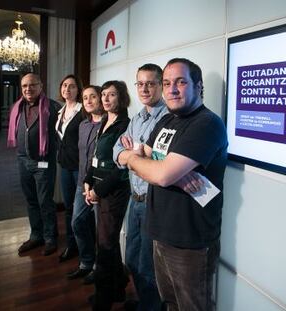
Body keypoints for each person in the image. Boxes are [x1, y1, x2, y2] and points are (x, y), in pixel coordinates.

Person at [121, 58, 228, 311]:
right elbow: (143, 157)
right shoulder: (167, 121)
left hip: (191, 241)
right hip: (160, 231)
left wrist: (138, 160)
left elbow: (161, 174)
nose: (172, 89)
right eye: (167, 83)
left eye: (181, 82)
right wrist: (143, 161)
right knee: (169, 303)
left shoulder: (206, 124)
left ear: (198, 86)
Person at [113, 63, 168, 310]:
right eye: (140, 83)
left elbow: (159, 162)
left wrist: (131, 155)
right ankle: (143, 302)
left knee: (148, 266)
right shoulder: (137, 118)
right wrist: (135, 155)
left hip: (153, 202)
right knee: (132, 259)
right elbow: (117, 150)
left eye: (150, 83)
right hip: (133, 199)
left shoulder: (169, 119)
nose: (144, 88)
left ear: (161, 85)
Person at [83, 80, 131, 310]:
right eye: (103, 94)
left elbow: (120, 168)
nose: (105, 99)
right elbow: (96, 156)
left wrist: (97, 190)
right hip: (98, 189)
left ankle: (103, 299)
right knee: (109, 243)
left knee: (104, 246)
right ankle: (119, 286)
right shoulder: (104, 120)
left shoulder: (125, 124)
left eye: (111, 95)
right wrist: (86, 181)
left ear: (121, 98)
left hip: (114, 192)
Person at [7, 73, 60, 256]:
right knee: (31, 200)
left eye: (32, 85)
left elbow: (62, 133)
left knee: (45, 201)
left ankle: (50, 237)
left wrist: (52, 150)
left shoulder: (52, 107)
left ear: (41, 85)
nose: (28, 89)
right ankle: (36, 235)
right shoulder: (17, 107)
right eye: (24, 86)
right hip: (23, 160)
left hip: (43, 162)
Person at [66, 85, 104, 282]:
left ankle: (99, 268)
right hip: (82, 183)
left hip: (100, 187)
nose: (88, 101)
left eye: (93, 97)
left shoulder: (108, 126)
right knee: (77, 222)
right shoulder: (83, 125)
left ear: (101, 99)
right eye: (85, 97)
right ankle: (86, 262)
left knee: (101, 231)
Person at [55, 74, 84, 262]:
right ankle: (71, 245)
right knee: (68, 207)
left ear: (78, 90)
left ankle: (85, 250)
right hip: (65, 166)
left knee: (81, 211)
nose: (67, 89)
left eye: (72, 86)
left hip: (80, 167)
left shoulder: (83, 111)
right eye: (64, 85)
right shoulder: (61, 111)